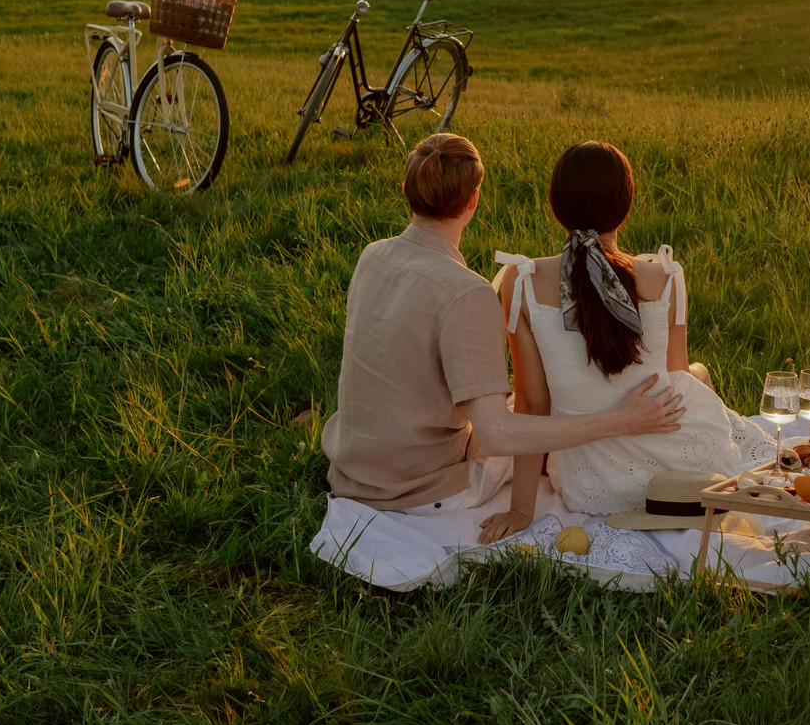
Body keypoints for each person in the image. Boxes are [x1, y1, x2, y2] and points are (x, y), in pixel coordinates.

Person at [320, 133, 687, 543]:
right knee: (535, 419)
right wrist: (620, 420)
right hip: (421, 491)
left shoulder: (371, 254)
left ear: (407, 189)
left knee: (524, 404)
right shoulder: (467, 292)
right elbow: (498, 436)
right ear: (474, 200)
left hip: (353, 470)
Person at [491, 141, 773, 529]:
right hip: (686, 468)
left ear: (555, 207)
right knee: (697, 374)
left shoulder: (520, 283)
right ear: (626, 205)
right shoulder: (667, 277)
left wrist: (520, 511)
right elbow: (675, 378)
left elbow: (532, 405)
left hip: (592, 485)